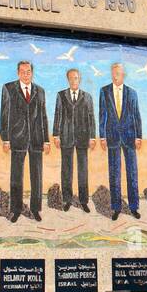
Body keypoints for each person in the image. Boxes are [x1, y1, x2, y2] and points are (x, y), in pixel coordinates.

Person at [0, 60, 50, 222]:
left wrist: (46, 140)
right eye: (22, 72)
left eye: (28, 71)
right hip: (17, 138)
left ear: (32, 73)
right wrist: (5, 138)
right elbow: (4, 115)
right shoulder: (8, 89)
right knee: (16, 176)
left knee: (37, 176)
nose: (26, 74)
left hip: (36, 139)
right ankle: (15, 209)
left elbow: (43, 116)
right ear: (18, 73)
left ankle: (35, 209)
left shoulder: (40, 91)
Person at [98, 62, 143, 220]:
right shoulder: (104, 91)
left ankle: (133, 207)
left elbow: (137, 115)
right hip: (112, 137)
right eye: (113, 73)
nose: (115, 76)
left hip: (130, 137)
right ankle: (116, 207)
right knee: (114, 173)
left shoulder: (132, 93)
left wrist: (139, 136)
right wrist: (102, 136)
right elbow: (102, 114)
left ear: (123, 75)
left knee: (132, 173)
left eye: (118, 73)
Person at [52, 67, 96, 212]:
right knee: (66, 170)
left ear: (79, 79)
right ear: (68, 80)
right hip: (66, 137)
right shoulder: (61, 95)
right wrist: (56, 135)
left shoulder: (87, 97)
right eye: (71, 78)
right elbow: (57, 115)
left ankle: (83, 201)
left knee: (82, 170)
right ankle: (67, 200)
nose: (73, 81)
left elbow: (91, 118)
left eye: (75, 78)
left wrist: (92, 137)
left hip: (83, 137)